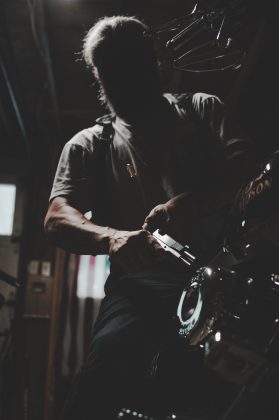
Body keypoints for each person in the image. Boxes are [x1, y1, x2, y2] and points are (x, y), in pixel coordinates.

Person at [44, 16, 255, 420]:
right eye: (109, 68)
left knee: (216, 394)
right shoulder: (90, 144)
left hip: (225, 277)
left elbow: (245, 169)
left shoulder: (200, 110)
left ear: (152, 62)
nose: (120, 78)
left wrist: (186, 205)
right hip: (139, 286)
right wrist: (111, 238)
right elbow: (56, 218)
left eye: (130, 63)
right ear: (98, 75)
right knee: (103, 376)